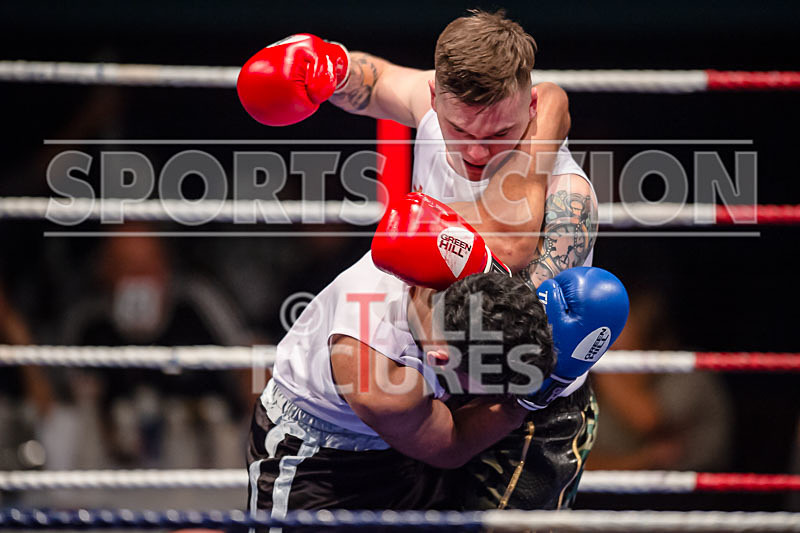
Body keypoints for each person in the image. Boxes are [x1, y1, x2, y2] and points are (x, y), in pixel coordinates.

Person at [237, 10, 599, 509]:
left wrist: (547, 122)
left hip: (523, 392)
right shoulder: (377, 360)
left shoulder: (566, 201)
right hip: (404, 405)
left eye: (499, 133)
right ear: (434, 98)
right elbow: (379, 81)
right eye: (459, 129)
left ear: (529, 106)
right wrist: (332, 69)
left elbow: (516, 277)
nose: (476, 151)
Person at [246, 191, 628, 518]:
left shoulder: (475, 267)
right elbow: (452, 444)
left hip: (400, 440)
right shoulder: (384, 384)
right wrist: (532, 396)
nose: (495, 395)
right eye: (485, 388)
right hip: (315, 457)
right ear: (442, 361)